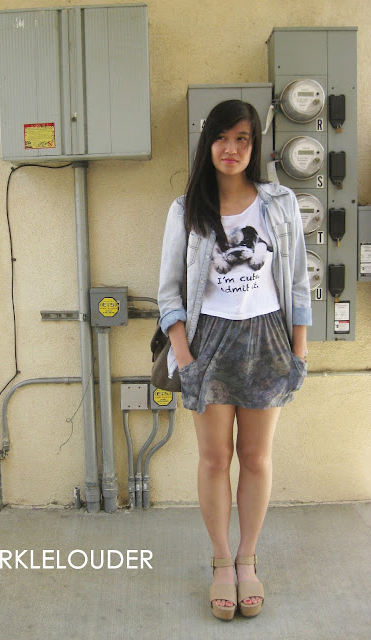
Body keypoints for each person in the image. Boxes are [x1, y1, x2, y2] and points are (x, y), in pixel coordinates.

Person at [157, 100, 311, 621]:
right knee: (215, 458)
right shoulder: (186, 209)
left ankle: (248, 559)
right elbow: (169, 290)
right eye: (222, 137)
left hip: (268, 338)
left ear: (255, 145)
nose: (231, 148)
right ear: (208, 144)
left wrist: (299, 348)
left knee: (257, 457)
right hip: (209, 342)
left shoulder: (280, 203)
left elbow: (297, 281)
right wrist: (184, 355)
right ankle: (222, 561)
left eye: (242, 138)